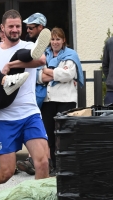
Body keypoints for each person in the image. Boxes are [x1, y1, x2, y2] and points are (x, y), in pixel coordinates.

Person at [0, 9, 51, 197]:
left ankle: (39, 197)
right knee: (6, 172)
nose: (15, 29)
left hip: (30, 113)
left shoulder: (29, 46)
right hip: (4, 117)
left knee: (42, 162)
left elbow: (41, 59)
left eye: (18, 26)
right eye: (11, 26)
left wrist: (11, 65)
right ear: (3, 28)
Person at [36, 27, 84, 176]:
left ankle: (66, 167)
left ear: (64, 40)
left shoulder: (71, 55)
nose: (55, 42)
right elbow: (38, 77)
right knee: (49, 136)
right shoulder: (44, 56)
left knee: (64, 136)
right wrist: (56, 72)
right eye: (53, 39)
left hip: (66, 100)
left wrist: (48, 71)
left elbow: (68, 74)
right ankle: (55, 166)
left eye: (58, 39)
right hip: (48, 101)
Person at [16, 12, 48, 175]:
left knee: (44, 131)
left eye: (31, 27)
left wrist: (44, 75)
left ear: (40, 28)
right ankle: (33, 161)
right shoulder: (28, 45)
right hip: (34, 94)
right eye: (26, 27)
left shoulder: (46, 45)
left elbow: (45, 69)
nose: (27, 30)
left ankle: (39, 162)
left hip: (46, 95)